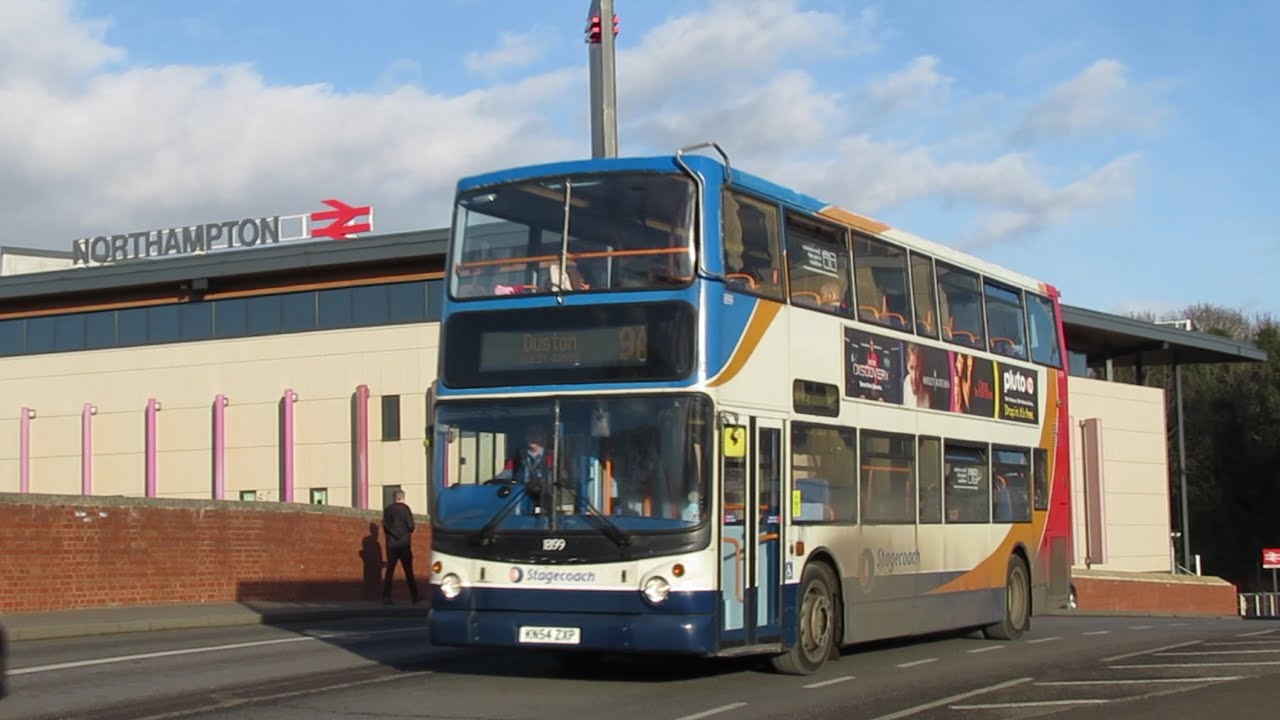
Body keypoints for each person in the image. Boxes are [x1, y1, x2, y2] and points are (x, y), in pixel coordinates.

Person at [382, 490, 421, 605]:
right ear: (403, 498)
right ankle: (414, 596)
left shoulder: (388, 510)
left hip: (391, 544)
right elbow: (411, 526)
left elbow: (385, 527)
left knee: (390, 571)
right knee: (409, 571)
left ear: (394, 498)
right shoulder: (406, 509)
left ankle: (386, 597)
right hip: (404, 544)